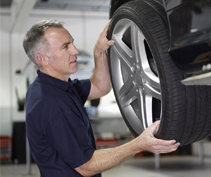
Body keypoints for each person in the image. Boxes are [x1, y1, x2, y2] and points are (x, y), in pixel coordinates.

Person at [23, 19, 180, 177]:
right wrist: (138, 144)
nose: (75, 50)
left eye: (72, 43)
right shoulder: (53, 104)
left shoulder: (54, 86)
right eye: (65, 46)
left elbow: (100, 87)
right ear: (42, 59)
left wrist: (99, 52)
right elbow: (87, 166)